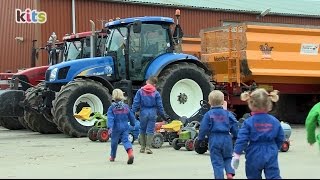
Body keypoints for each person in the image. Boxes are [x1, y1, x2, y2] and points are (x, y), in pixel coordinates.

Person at [231, 88, 285, 179]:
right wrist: (276, 147)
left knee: (253, 175)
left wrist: (237, 154)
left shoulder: (248, 122)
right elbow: (281, 137)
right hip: (271, 150)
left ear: (251, 103)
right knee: (273, 175)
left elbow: (242, 139)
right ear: (269, 104)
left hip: (253, 151)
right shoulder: (274, 121)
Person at [198, 90, 239, 179]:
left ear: (209, 102)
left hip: (214, 138)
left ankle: (219, 177)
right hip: (227, 138)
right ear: (223, 102)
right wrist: (236, 136)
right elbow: (234, 124)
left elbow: (203, 128)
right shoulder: (228, 114)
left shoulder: (208, 114)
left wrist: (200, 139)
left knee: (217, 161)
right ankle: (230, 173)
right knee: (228, 158)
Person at [132, 76, 168, 154]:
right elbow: (160, 106)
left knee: (142, 129)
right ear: (154, 84)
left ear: (147, 81)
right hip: (152, 112)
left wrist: (132, 112)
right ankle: (148, 148)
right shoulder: (156, 93)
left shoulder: (140, 91)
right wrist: (164, 116)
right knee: (150, 130)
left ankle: (142, 148)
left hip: (143, 112)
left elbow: (136, 103)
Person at [107, 89, 136, 164]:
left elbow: (110, 119)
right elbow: (131, 116)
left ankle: (112, 156)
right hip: (125, 127)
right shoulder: (126, 107)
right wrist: (133, 123)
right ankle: (130, 153)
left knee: (114, 143)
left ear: (113, 96)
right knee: (126, 141)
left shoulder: (112, 108)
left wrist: (110, 127)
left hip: (116, 128)